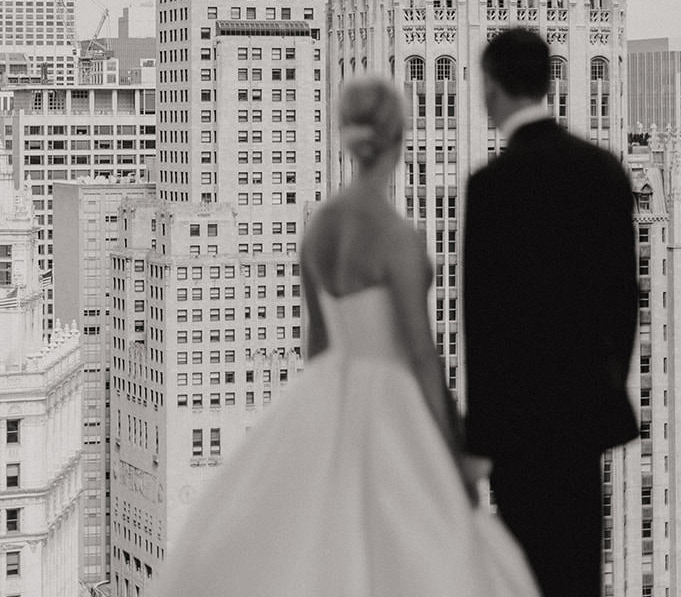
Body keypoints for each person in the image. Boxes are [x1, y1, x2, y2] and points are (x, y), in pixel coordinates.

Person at [149, 75, 537, 597]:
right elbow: (422, 354)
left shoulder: (319, 227)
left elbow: (318, 346)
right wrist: (454, 453)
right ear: (400, 138)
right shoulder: (397, 236)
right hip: (392, 402)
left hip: (329, 392)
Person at [463, 27, 640, 597]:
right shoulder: (605, 171)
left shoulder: (491, 186)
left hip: (519, 432)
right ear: (549, 82)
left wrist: (483, 438)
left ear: (491, 86)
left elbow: (483, 324)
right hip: (583, 422)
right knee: (578, 570)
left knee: (525, 577)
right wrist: (606, 386)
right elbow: (624, 301)